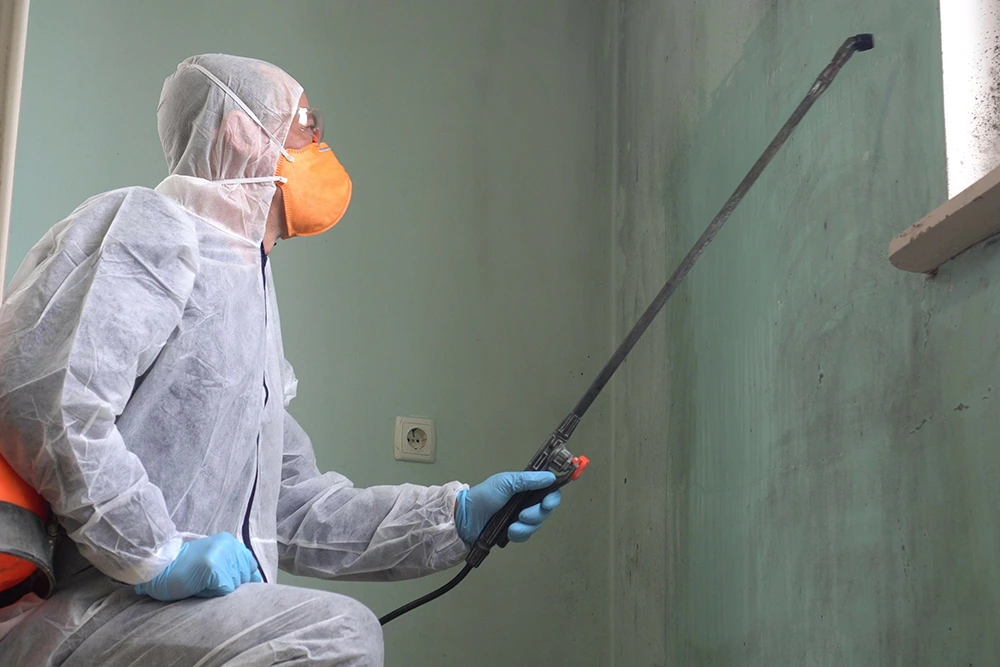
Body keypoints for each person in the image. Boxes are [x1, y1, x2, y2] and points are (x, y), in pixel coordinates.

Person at [0, 54, 561, 666]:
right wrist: (156, 556)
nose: (321, 144)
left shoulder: (248, 294)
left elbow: (290, 509)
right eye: (307, 125)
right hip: (90, 611)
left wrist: (455, 517)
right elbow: (48, 400)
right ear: (241, 131)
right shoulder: (152, 228)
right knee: (334, 634)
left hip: (175, 623)